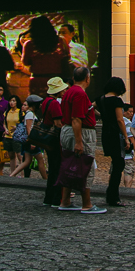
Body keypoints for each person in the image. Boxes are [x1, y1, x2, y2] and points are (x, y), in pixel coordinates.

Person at [58, 65, 105, 214]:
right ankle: (87, 204)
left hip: (68, 130)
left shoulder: (69, 92)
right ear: (87, 78)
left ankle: (65, 201)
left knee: (69, 165)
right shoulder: (79, 93)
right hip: (81, 132)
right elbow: (76, 119)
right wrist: (79, 142)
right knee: (85, 166)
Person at [97, 76, 130, 207]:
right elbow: (120, 120)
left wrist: (103, 116)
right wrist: (126, 137)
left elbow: (90, 107)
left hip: (105, 133)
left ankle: (111, 194)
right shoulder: (117, 100)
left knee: (115, 163)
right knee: (118, 164)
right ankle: (113, 196)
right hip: (115, 134)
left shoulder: (101, 99)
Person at [22, 16, 71, 95]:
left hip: (37, 83)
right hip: (57, 81)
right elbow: (67, 58)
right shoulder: (61, 42)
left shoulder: (29, 45)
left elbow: (26, 62)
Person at [41, 76, 67, 208]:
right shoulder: (55, 104)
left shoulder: (46, 101)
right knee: (57, 169)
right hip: (55, 139)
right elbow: (57, 123)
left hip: (47, 139)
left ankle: (48, 197)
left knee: (52, 169)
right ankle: (56, 198)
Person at [10, 97, 48, 180]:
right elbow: (29, 128)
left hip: (29, 141)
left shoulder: (29, 113)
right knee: (40, 160)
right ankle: (45, 179)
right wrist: (32, 142)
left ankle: (12, 175)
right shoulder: (30, 114)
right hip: (32, 140)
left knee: (27, 161)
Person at [2, 95, 23, 175]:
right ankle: (12, 173)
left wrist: (17, 128)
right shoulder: (7, 112)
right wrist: (5, 129)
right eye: (11, 101)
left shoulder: (20, 112)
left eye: (14, 101)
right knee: (11, 155)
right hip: (8, 136)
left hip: (17, 136)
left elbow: (23, 123)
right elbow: (4, 122)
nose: (12, 103)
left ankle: (22, 174)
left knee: (19, 155)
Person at [121, 103, 135, 188]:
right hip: (127, 153)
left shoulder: (117, 120)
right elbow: (131, 137)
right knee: (128, 171)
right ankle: (127, 189)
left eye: (132, 112)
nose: (131, 114)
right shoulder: (127, 122)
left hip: (118, 151)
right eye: (130, 112)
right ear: (124, 112)